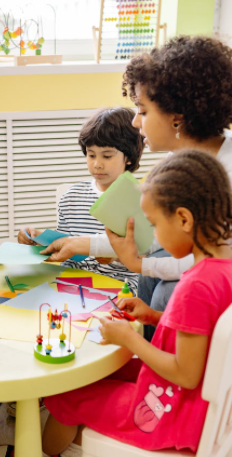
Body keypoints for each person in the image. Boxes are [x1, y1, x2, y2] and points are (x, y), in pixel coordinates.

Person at [0, 150, 232, 457]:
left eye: (155, 226)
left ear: (184, 219)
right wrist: (154, 316)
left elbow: (185, 373)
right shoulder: (222, 268)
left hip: (169, 413)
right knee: (98, 374)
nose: (155, 238)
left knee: (64, 393)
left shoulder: (196, 286)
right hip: (191, 401)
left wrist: (130, 340)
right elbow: (202, 333)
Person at [42, 36, 232, 320]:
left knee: (165, 290)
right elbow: (148, 237)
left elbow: (214, 262)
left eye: (142, 111)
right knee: (153, 278)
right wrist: (82, 244)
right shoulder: (180, 160)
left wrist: (140, 265)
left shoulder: (222, 176)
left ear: (177, 117)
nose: (135, 121)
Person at [18, 107, 144, 289]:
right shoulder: (70, 197)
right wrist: (35, 237)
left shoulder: (142, 199)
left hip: (120, 285)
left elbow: (148, 255)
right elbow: (64, 244)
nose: (97, 164)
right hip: (71, 279)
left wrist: (115, 255)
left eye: (107, 156)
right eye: (91, 155)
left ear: (129, 158)